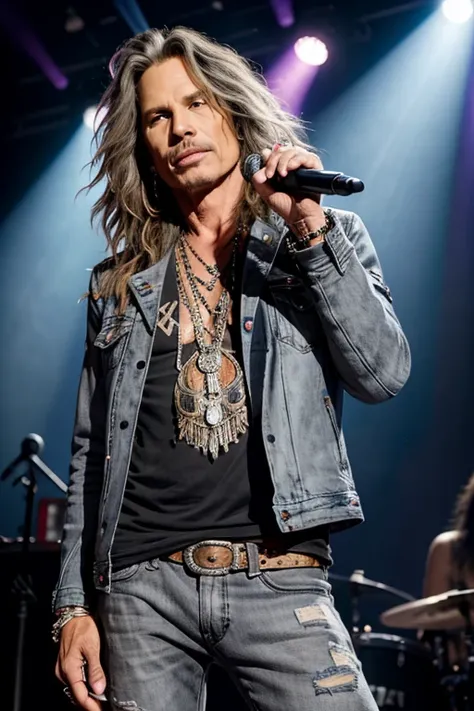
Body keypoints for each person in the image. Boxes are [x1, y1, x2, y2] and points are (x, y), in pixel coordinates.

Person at [52, 26, 411, 711]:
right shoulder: (117, 283)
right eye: (158, 116)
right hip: (140, 588)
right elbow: (89, 456)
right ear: (145, 149)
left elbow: (383, 373)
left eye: (195, 103)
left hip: (281, 576)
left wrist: (308, 227)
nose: (179, 127)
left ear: (232, 110)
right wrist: (72, 606)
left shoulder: (319, 241)